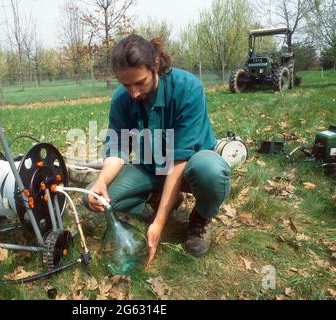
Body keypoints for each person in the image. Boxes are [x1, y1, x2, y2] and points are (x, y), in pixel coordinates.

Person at [83, 34, 231, 267]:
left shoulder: (188, 88)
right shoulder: (123, 98)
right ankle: (157, 204)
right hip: (152, 166)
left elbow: (180, 160)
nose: (133, 93)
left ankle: (200, 218)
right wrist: (101, 181)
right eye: (125, 85)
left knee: (211, 170)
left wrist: (160, 224)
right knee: (93, 196)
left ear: (156, 66)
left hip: (190, 168)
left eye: (139, 83)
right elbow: (118, 149)